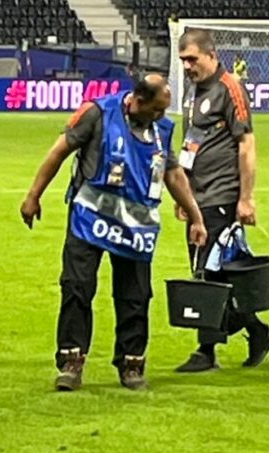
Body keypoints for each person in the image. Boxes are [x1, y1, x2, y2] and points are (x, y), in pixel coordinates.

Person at [19, 75, 208, 391]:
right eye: (155, 111)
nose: (159, 117)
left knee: (135, 296)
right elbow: (58, 151)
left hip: (135, 226)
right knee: (77, 287)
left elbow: (173, 174)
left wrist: (196, 217)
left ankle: (131, 363)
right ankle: (71, 361)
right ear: (137, 101)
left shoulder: (162, 129)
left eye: (162, 111)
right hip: (89, 218)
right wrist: (33, 195)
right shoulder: (97, 113)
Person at [173, 29, 269, 373]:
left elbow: (246, 144)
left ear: (211, 54)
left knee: (210, 269)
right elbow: (191, 142)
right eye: (183, 60)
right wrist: (183, 192)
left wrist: (246, 198)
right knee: (208, 271)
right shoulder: (193, 91)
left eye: (192, 59)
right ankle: (258, 331)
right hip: (197, 196)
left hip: (221, 194)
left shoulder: (229, 88)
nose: (187, 66)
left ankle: (207, 351)